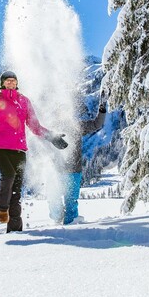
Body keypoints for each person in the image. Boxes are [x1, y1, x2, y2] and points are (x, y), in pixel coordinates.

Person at [0, 70, 68, 232]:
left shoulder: (24, 101)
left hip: (19, 150)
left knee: (16, 190)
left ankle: (15, 229)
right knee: (8, 175)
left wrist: (52, 137)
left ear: (17, 83)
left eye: (13, 81)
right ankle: (2, 208)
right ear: (2, 83)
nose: (11, 83)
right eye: (8, 81)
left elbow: (35, 126)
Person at [49, 90, 108, 225]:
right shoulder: (51, 128)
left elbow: (96, 124)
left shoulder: (77, 126)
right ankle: (57, 221)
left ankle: (71, 227)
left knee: (71, 202)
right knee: (54, 201)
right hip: (55, 171)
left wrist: (102, 108)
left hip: (73, 170)